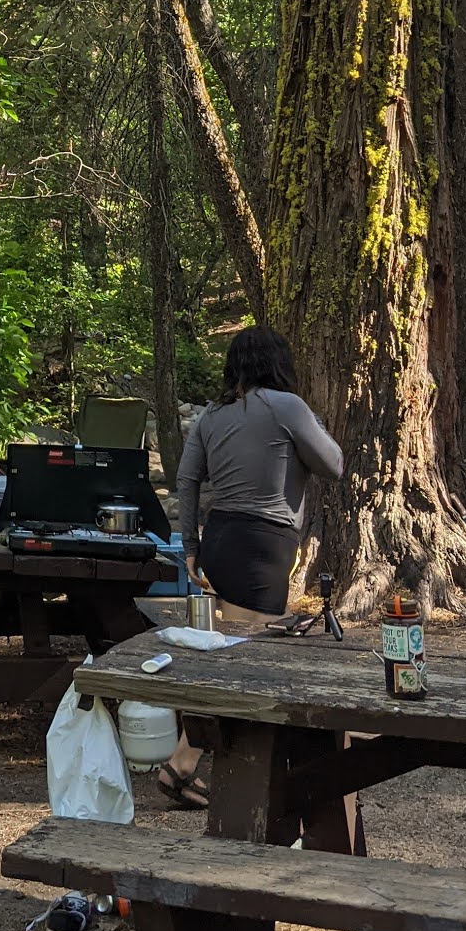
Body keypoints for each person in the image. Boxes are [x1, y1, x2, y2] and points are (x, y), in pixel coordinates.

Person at [155, 324, 343, 809]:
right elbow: (333, 464)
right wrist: (312, 423)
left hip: (220, 540)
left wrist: (190, 545)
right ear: (278, 363)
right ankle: (199, 770)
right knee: (251, 662)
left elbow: (187, 478)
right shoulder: (288, 406)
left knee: (232, 654)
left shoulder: (212, 416)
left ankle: (185, 765)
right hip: (264, 544)